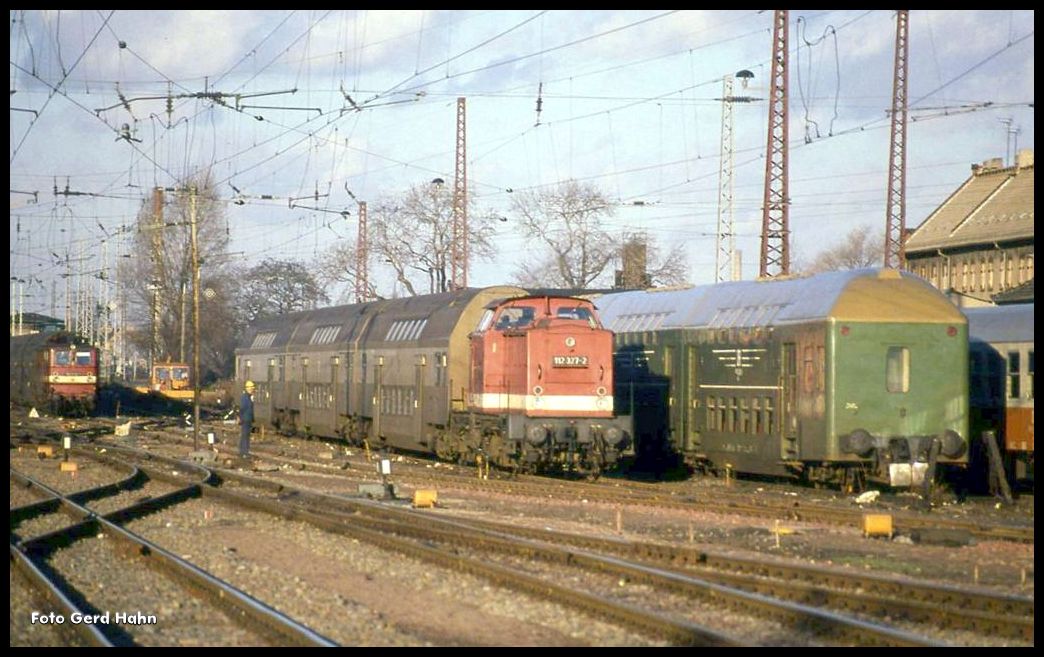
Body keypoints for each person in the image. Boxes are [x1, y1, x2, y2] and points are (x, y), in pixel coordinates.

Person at [239, 380, 255, 458]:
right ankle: (243, 452)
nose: (252, 390)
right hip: (245, 420)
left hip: (248, 419)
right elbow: (242, 408)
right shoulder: (245, 398)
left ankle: (245, 451)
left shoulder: (249, 398)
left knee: (246, 436)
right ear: (248, 389)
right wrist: (241, 418)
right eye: (251, 388)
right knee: (245, 436)